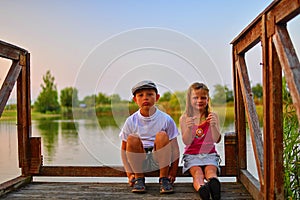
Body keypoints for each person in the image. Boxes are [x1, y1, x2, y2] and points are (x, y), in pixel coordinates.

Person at [120, 80, 180, 194]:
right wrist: (129, 173)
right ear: (135, 100)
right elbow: (123, 150)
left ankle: (164, 179)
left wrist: (173, 172)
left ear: (157, 97)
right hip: (139, 159)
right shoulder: (131, 121)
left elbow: (175, 149)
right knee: (132, 138)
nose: (145, 98)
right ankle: (139, 179)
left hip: (159, 158)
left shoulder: (166, 119)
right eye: (140, 95)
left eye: (150, 94)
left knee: (162, 135)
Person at [179, 82, 221, 200]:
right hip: (192, 155)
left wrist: (213, 125)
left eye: (203, 97)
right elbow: (186, 142)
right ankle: (203, 190)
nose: (199, 100)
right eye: (195, 98)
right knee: (197, 174)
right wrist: (189, 128)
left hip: (210, 154)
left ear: (208, 99)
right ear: (189, 99)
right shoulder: (184, 118)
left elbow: (217, 139)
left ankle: (215, 187)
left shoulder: (212, 116)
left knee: (211, 172)